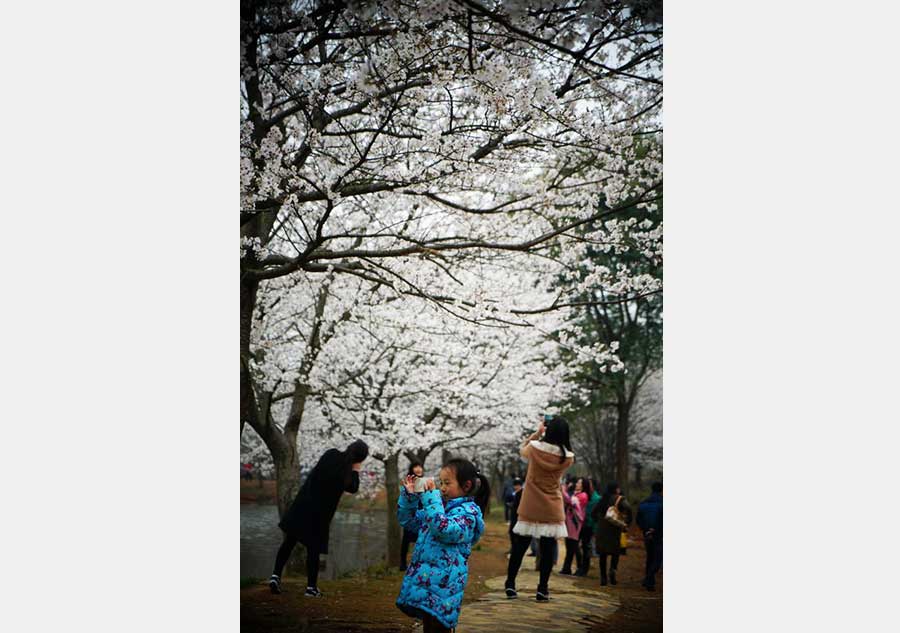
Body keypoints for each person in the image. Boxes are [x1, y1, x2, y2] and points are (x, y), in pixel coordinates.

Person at [396, 458, 489, 633]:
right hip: (427, 582)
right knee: (429, 626)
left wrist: (431, 499)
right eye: (440, 482)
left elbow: (443, 529)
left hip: (445, 587)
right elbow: (408, 521)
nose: (442, 487)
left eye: (447, 483)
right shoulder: (438, 508)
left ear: (466, 486)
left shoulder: (468, 516)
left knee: (439, 628)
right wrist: (409, 497)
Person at [268, 439, 369, 597]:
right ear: (360, 459)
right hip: (320, 514)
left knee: (289, 541)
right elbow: (353, 488)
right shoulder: (347, 473)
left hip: (303, 504)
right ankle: (311, 588)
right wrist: (355, 469)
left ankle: (275, 576)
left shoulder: (331, 454)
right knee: (313, 550)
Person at [505, 415, 575, 602]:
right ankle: (542, 589)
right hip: (552, 504)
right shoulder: (567, 457)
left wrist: (537, 433)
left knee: (519, 547)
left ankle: (510, 584)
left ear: (548, 430)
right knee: (547, 548)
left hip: (530, 502)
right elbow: (564, 452)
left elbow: (522, 450)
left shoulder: (535, 449)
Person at [591, 482, 632, 586]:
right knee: (615, 553)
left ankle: (603, 578)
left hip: (601, 531)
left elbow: (593, 513)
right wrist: (626, 523)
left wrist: (599, 522)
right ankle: (612, 574)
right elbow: (629, 509)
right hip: (614, 530)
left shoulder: (602, 499)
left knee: (602, 555)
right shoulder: (620, 499)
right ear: (617, 489)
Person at [636, 481, 663, 591]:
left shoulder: (643, 503)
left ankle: (649, 582)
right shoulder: (663, 502)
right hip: (659, 534)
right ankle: (649, 579)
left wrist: (645, 529)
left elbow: (638, 519)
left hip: (647, 534)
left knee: (650, 556)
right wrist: (655, 530)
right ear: (661, 490)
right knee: (658, 559)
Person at [400, 461, 425, 570]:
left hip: (422, 514)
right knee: (406, 540)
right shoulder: (408, 481)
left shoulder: (425, 482)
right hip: (410, 513)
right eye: (416, 467)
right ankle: (402, 563)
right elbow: (403, 498)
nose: (419, 469)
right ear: (412, 469)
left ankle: (418, 564)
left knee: (421, 539)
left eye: (420, 466)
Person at [560, 477, 588, 575]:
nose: (577, 484)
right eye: (577, 482)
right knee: (569, 545)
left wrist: (563, 489)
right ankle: (566, 568)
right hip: (569, 522)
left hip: (575, 523)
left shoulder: (583, 495)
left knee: (574, 546)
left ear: (584, 485)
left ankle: (580, 567)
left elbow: (570, 501)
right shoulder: (576, 494)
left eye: (580, 483)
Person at [576, 478, 601, 576]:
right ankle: (581, 567)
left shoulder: (597, 498)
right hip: (581, 525)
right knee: (580, 547)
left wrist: (595, 529)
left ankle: (584, 569)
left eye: (589, 483)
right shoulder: (584, 495)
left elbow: (596, 516)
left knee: (586, 547)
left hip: (588, 526)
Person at [507, 477, 523, 552]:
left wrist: (512, 505)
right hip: (513, 515)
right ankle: (513, 548)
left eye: (517, 485)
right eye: (514, 485)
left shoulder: (522, 493)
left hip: (518, 517)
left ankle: (515, 549)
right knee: (511, 532)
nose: (515, 487)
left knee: (515, 534)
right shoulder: (515, 493)